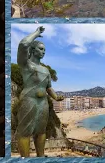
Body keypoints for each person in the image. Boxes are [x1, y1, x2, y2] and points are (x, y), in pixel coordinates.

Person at [16, 27, 64, 157]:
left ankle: (40, 157)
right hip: (29, 100)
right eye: (40, 49)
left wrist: (56, 97)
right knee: (24, 131)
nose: (43, 52)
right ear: (33, 50)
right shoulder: (25, 64)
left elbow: (49, 87)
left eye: (44, 50)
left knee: (41, 131)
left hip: (43, 103)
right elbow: (23, 44)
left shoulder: (45, 70)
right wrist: (37, 33)